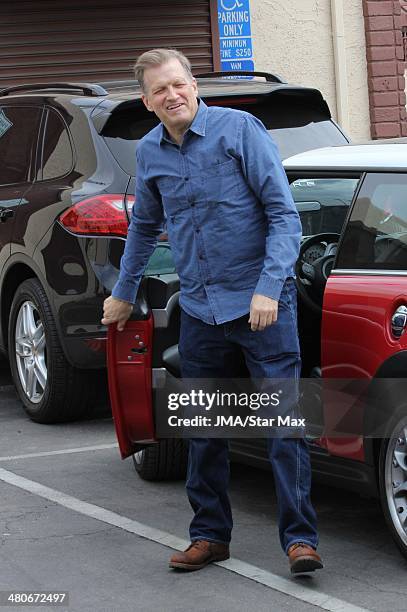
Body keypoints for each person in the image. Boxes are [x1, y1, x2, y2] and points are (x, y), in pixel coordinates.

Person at [102, 48, 323, 575]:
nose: (171, 95)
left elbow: (283, 216)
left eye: (178, 84)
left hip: (262, 307)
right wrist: (125, 291)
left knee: (283, 428)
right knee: (203, 430)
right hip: (200, 310)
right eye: (160, 90)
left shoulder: (239, 130)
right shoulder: (150, 152)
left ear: (193, 85)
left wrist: (269, 287)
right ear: (147, 101)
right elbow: (143, 228)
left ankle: (300, 541)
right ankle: (209, 535)